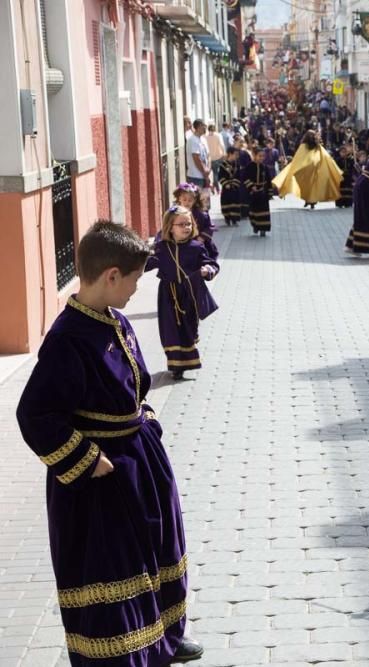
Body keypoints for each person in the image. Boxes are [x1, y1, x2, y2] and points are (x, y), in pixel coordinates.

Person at [16, 221, 203, 665]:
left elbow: (132, 386)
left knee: (155, 552)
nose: (139, 288)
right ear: (111, 276)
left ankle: (162, 640)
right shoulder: (67, 340)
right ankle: (123, 656)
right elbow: (34, 414)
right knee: (114, 566)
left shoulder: (115, 320)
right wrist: (87, 458)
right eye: (136, 279)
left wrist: (148, 420)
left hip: (140, 463)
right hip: (99, 482)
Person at [147, 205, 220, 380]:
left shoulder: (196, 247)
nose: (186, 227)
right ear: (170, 227)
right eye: (181, 224)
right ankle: (176, 366)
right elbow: (147, 263)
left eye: (188, 224)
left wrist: (207, 269)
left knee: (188, 328)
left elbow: (212, 263)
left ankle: (186, 361)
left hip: (189, 294)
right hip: (168, 294)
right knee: (170, 329)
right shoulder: (162, 248)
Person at [272, 129, 343, 210]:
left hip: (315, 170)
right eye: (311, 136)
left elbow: (323, 156)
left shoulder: (317, 145)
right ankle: (308, 200)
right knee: (307, 187)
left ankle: (312, 201)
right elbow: (299, 158)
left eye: (313, 136)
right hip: (305, 171)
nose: (312, 137)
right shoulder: (303, 145)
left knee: (313, 187)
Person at [240, 147, 277, 237]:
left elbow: (268, 181)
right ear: (254, 156)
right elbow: (245, 178)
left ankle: (263, 229)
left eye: (263, 156)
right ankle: (256, 226)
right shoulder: (249, 166)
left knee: (264, 211)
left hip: (263, 193)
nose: (261, 158)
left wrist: (269, 193)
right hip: (253, 193)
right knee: (254, 211)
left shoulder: (265, 167)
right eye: (259, 156)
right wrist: (251, 187)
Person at [185, 119, 213, 196]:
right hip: (195, 176)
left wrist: (208, 169)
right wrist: (204, 171)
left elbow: (208, 155)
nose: (205, 128)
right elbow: (196, 158)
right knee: (197, 202)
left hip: (205, 176)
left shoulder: (203, 139)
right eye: (204, 126)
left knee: (205, 202)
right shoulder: (192, 140)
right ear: (198, 127)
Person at [219, 146, 245, 226]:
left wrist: (235, 183)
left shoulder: (237, 165)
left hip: (235, 188)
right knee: (226, 203)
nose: (237, 156)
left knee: (235, 203)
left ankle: (234, 220)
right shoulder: (223, 165)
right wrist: (226, 184)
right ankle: (227, 219)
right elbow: (220, 176)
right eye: (235, 154)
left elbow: (239, 175)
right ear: (230, 154)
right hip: (226, 189)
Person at [334, 144, 355, 208]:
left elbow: (352, 168)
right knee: (340, 190)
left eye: (345, 152)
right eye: (342, 152)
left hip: (348, 177)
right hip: (341, 177)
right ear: (340, 153)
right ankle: (340, 203)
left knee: (348, 190)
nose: (344, 153)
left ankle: (348, 203)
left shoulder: (350, 160)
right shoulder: (338, 160)